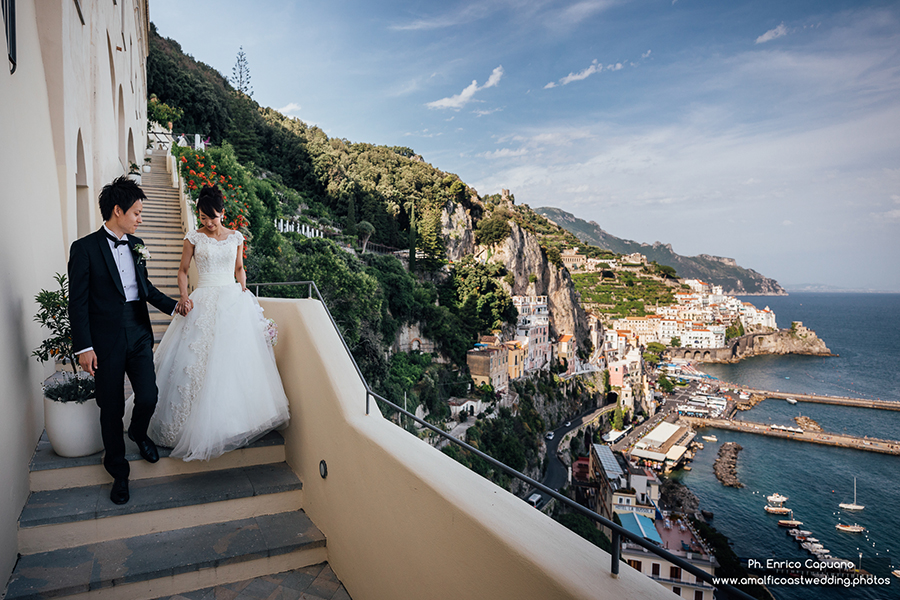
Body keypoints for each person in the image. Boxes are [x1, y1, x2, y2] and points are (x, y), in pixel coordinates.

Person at [68, 176, 187, 505]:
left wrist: (176, 306)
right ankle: (118, 471)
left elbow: (145, 290)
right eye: (136, 212)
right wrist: (84, 347)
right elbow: (76, 303)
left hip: (138, 332)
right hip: (105, 340)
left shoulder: (136, 246)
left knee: (148, 395)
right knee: (111, 407)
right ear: (118, 211)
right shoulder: (84, 249)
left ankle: (138, 431)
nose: (140, 219)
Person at [149, 185, 290, 461]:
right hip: (201, 300)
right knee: (193, 363)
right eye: (203, 217)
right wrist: (184, 296)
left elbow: (239, 268)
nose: (208, 223)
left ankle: (233, 424)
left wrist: (244, 289)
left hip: (231, 300)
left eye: (212, 217)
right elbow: (183, 270)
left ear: (222, 213)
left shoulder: (236, 237)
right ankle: (184, 426)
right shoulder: (193, 237)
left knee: (230, 365)